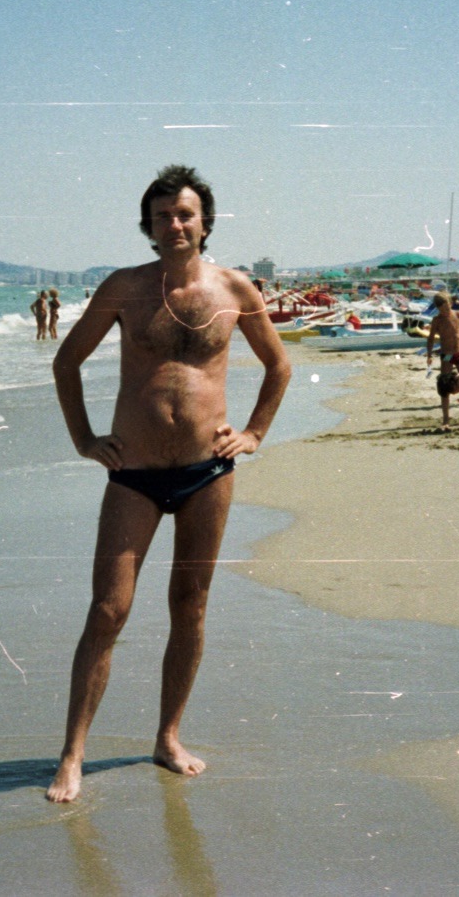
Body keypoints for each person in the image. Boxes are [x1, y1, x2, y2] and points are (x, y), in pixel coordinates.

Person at [46, 165, 291, 804]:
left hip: (208, 471)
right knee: (109, 609)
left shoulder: (235, 287)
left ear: (205, 222)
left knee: (191, 602)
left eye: (184, 214)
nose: (174, 225)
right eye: (162, 216)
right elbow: (65, 361)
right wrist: (84, 439)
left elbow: (279, 364)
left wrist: (256, 433)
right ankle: (72, 755)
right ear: (148, 227)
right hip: (134, 473)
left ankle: (168, 737)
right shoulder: (125, 289)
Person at [424, 293, 459, 428]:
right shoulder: (437, 320)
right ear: (438, 308)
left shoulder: (457, 315)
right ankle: (446, 419)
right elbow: (431, 338)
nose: (445, 311)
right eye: (442, 309)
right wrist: (429, 355)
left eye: (447, 307)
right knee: (444, 386)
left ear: (450, 303)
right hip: (447, 355)